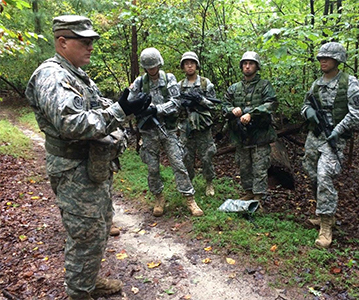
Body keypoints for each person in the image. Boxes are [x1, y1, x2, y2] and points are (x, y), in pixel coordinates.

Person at [25, 15, 150, 300]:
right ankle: (79, 293)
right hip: (74, 169)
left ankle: (87, 282)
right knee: (85, 234)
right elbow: (72, 123)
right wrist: (120, 111)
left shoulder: (74, 72)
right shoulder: (53, 75)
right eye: (85, 41)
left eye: (92, 41)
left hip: (92, 167)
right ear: (63, 41)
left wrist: (121, 104)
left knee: (99, 228)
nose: (91, 47)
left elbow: (93, 105)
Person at [301, 42, 359, 248]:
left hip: (334, 138)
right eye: (321, 58)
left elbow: (358, 111)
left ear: (338, 60)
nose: (323, 61)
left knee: (324, 175)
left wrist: (338, 130)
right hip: (315, 136)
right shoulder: (316, 84)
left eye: (327, 58)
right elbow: (305, 105)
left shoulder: (349, 82)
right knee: (311, 173)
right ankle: (322, 213)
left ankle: (327, 225)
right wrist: (308, 112)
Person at [128, 47, 204, 217]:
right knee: (153, 168)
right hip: (148, 131)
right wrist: (140, 107)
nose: (152, 70)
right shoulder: (140, 82)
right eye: (149, 67)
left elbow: (177, 102)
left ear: (159, 64)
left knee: (178, 164)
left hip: (168, 129)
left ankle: (189, 198)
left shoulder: (169, 79)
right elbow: (130, 103)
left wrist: (156, 109)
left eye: (154, 66)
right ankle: (158, 197)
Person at [223, 51, 278, 203]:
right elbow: (224, 105)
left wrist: (252, 113)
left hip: (260, 134)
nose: (247, 67)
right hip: (241, 135)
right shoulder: (234, 88)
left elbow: (271, 103)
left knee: (259, 167)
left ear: (256, 66)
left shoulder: (264, 85)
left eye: (251, 64)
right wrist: (231, 110)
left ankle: (258, 197)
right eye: (245, 64)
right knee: (244, 166)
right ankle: (248, 192)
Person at [178, 51, 217, 197]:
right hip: (186, 127)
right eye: (186, 64)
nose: (189, 66)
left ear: (196, 65)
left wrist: (200, 100)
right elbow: (175, 105)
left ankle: (209, 182)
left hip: (202, 126)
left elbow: (214, 106)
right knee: (186, 157)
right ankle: (189, 183)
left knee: (206, 156)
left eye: (192, 63)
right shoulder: (179, 85)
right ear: (183, 67)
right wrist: (183, 104)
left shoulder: (206, 84)